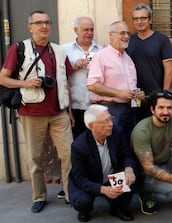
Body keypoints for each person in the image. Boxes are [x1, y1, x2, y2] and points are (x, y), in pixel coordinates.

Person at [0, 10, 74, 212]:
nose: (44, 26)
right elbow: (3, 78)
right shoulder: (19, 49)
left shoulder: (59, 50)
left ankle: (70, 193)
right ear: (30, 27)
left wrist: (69, 110)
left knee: (69, 154)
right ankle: (39, 196)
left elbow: (65, 81)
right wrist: (26, 83)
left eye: (47, 22)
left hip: (58, 112)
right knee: (35, 157)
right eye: (39, 22)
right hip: (31, 113)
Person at [69, 104, 136, 222]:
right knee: (82, 201)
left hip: (111, 176)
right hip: (90, 180)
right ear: (91, 126)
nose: (110, 124)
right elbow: (80, 178)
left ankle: (116, 207)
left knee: (132, 181)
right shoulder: (79, 146)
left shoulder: (116, 132)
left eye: (111, 119)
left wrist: (129, 169)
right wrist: (103, 189)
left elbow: (127, 155)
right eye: (105, 121)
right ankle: (85, 210)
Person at [87, 21, 137, 139]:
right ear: (111, 35)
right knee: (112, 147)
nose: (126, 36)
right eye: (122, 33)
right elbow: (92, 85)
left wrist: (137, 95)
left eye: (128, 33)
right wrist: (119, 93)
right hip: (109, 110)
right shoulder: (101, 56)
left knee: (126, 148)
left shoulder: (128, 58)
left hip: (129, 110)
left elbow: (130, 87)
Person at [127, 3, 172, 122]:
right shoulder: (129, 41)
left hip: (155, 97)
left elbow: (169, 70)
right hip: (135, 97)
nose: (139, 22)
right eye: (136, 19)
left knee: (156, 132)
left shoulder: (162, 40)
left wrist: (164, 94)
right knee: (137, 132)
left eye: (143, 18)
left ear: (150, 20)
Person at [63, 16, 102, 139]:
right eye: (86, 30)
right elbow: (59, 76)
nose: (89, 33)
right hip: (75, 106)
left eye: (91, 29)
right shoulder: (64, 50)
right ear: (76, 30)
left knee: (96, 141)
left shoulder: (101, 50)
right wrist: (73, 66)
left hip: (96, 104)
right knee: (78, 143)